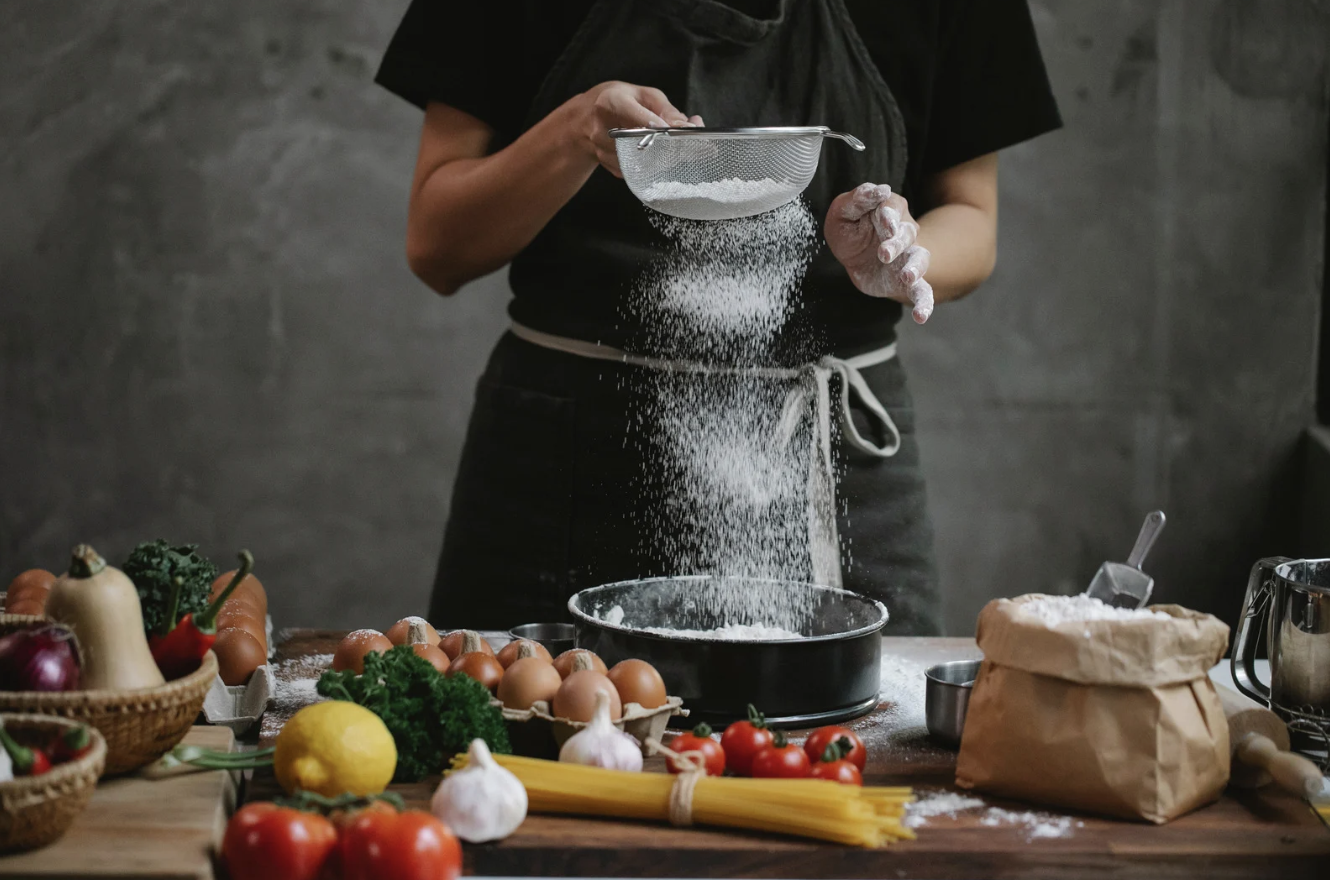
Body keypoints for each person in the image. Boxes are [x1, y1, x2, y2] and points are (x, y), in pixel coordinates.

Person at [375, 0, 1061, 633]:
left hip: (834, 459)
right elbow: (438, 246)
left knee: (859, 748)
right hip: (566, 458)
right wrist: (572, 134)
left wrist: (899, 253)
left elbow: (973, 218)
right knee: (534, 750)